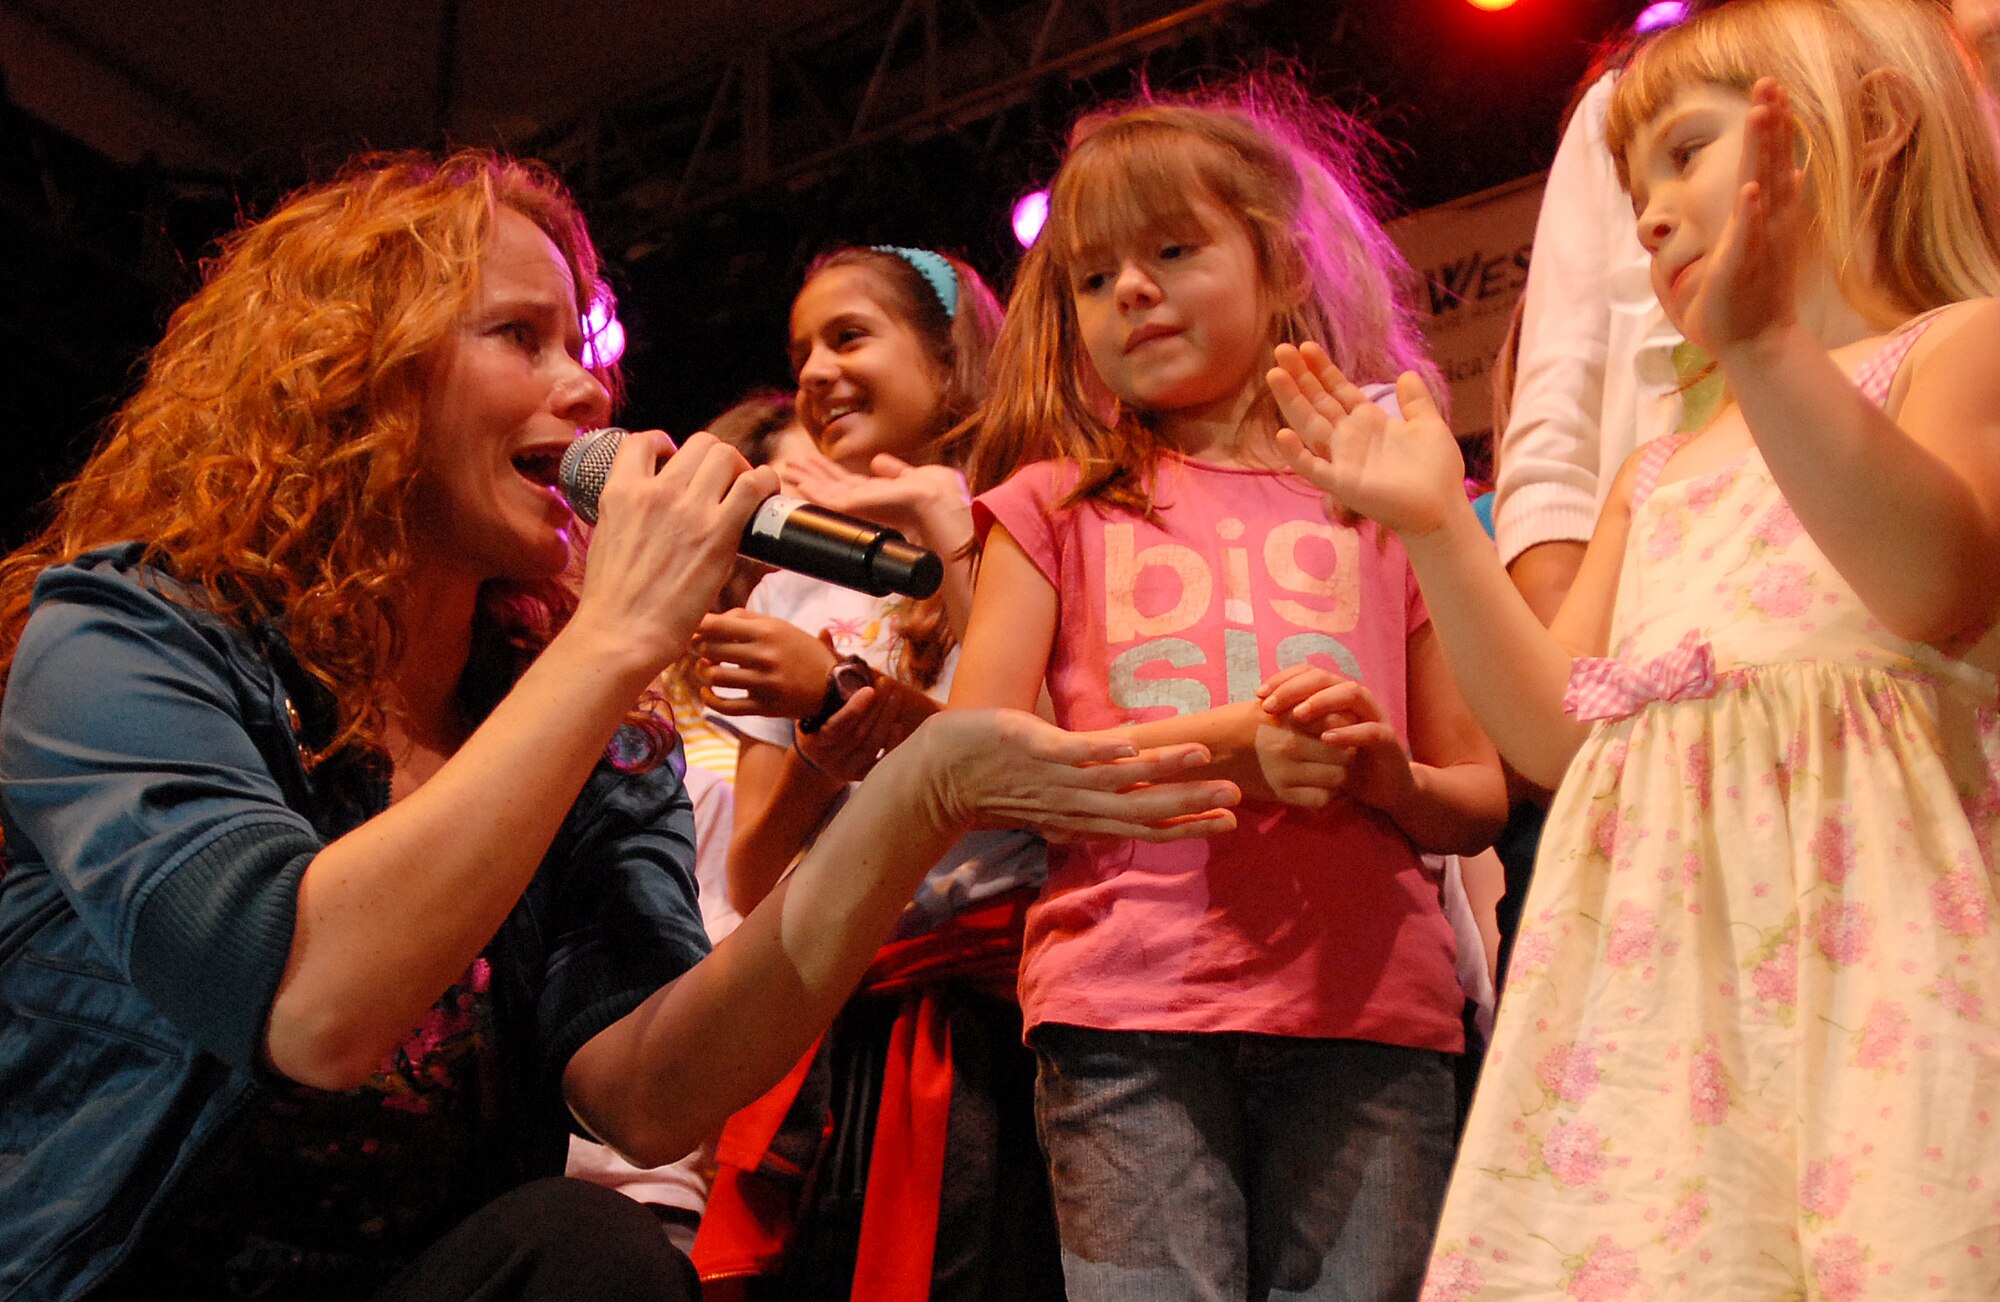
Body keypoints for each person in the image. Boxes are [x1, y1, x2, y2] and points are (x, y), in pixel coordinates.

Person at [0, 150, 1240, 1302]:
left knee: (591, 1252)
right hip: (121, 1271)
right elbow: (309, 1009)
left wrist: (919, 798)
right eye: (518, 339)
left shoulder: (569, 719)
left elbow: (646, 1094)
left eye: (576, 341)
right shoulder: (128, 635)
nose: (584, 387)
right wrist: (615, 637)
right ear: (355, 378)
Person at [1268, 0, 2000, 1293]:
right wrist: (1442, 525)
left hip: (1881, 979)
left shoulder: (1959, 350)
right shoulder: (1656, 471)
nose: (1649, 211)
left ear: (1869, 132)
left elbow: (1933, 580)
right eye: (1634, 179)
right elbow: (1557, 732)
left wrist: (1769, 347)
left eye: (1688, 154)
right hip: (1667, 1014)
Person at [948, 82, 1509, 1301]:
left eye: (1169, 251)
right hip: (1125, 1011)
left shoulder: (1391, 500)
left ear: (1279, 262)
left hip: (1369, 1018)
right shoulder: (1051, 505)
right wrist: (1234, 744)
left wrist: (1384, 775)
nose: (1128, 293)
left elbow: (1472, 796)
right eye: (1091, 279)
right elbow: (975, 765)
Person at [687, 245, 1066, 1301]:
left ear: (949, 359)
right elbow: (757, 876)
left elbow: (1047, 752)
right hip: (857, 1044)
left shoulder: (1036, 534)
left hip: (1027, 1019)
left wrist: (944, 543)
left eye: (848, 336)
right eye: (801, 350)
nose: (813, 372)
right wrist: (822, 721)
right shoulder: (786, 600)